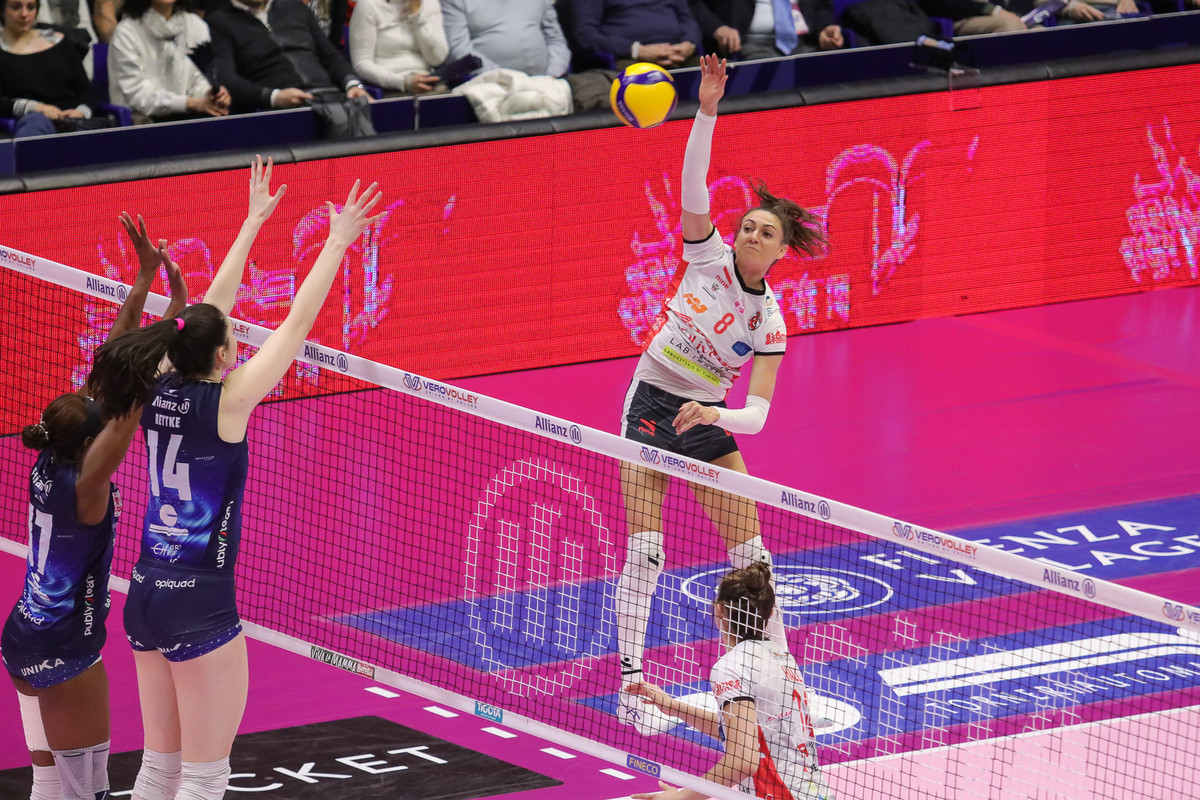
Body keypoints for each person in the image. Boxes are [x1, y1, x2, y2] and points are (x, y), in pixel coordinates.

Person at [86, 156, 383, 800]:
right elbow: (296, 324)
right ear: (224, 354)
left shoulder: (156, 383)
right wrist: (337, 242)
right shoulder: (229, 402)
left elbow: (204, 314)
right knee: (203, 776)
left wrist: (251, 224)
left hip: (144, 593)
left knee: (158, 768)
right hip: (200, 602)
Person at [615, 54, 825, 736]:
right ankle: (631, 687)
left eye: (766, 231)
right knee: (647, 551)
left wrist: (715, 413)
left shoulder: (771, 321)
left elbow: (757, 414)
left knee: (754, 559)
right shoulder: (705, 257)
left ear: (782, 250)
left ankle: (782, 676)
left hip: (705, 415)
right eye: (748, 226)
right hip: (652, 401)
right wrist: (706, 110)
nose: (752, 233)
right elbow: (692, 183)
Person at [2, 215, 187, 800]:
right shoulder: (87, 484)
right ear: (91, 440)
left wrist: (144, 280)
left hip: (22, 637)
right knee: (87, 796)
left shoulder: (54, 451)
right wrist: (177, 325)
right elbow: (129, 395)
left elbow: (108, 366)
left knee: (49, 785)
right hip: (65, 649)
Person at [626, 563, 835, 800]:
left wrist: (679, 798)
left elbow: (743, 761)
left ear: (719, 610)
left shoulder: (730, 667)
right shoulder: (782, 656)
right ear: (767, 613)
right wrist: (672, 707)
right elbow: (750, 734)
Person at [206, 0, 368, 112]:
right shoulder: (219, 22)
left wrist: (352, 84)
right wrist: (273, 97)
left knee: (365, 115)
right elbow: (226, 78)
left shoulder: (295, 7)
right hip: (278, 108)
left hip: (330, 95)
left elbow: (330, 55)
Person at [108, 0, 232, 122]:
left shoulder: (196, 25)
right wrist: (190, 103)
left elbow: (198, 80)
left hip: (189, 117)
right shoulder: (126, 32)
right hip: (143, 122)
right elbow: (137, 95)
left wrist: (210, 95)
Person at [0, 0, 99, 136]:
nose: (24, 14)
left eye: (31, 7)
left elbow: (87, 92)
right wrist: (36, 107)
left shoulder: (59, 41)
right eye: (16, 7)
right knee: (36, 125)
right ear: (2, 10)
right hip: (30, 120)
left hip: (72, 120)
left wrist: (81, 112)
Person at [440, 0, 570, 79]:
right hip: (488, 86)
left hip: (546, 83)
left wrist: (552, 75)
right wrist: (506, 79)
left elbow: (556, 39)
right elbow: (458, 50)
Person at [562, 0, 702, 70]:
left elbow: (687, 19)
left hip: (679, 54)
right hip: (628, 58)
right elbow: (586, 35)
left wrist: (689, 43)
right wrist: (637, 51)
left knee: (714, 72)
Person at [348, 0, 448, 96]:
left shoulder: (429, 3)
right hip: (388, 86)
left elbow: (437, 59)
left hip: (428, 82)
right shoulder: (368, 4)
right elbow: (361, 63)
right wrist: (402, 82)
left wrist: (417, 15)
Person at [688, 0, 844, 60]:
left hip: (805, 41)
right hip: (749, 43)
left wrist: (825, 27)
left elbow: (820, 5)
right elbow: (694, 4)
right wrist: (718, 28)